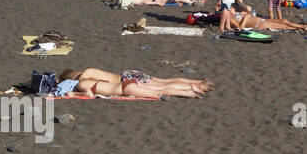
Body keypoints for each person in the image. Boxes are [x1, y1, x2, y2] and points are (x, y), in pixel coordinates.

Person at [57, 68, 213, 99]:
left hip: (125, 81)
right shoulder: (89, 70)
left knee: (161, 86)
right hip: (128, 74)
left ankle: (191, 87)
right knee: (165, 81)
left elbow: (102, 86)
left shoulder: (85, 78)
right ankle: (198, 83)